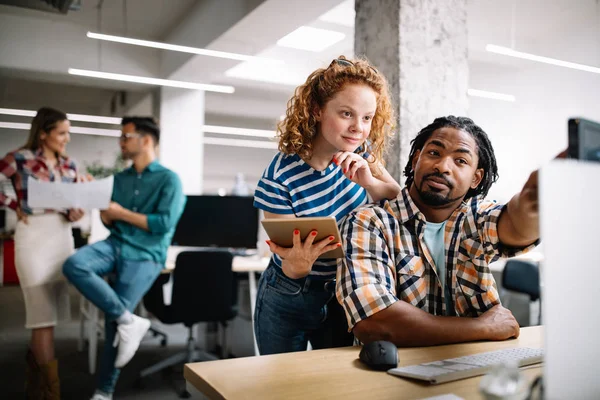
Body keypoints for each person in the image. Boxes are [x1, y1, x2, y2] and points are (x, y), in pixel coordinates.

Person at [336, 115, 545, 347]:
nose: (442, 167)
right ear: (416, 159)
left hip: (475, 366)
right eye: (434, 153)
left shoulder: (475, 219)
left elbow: (515, 226)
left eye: (460, 161)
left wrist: (532, 202)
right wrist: (484, 327)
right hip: (395, 373)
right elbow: (375, 323)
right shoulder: (368, 222)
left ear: (476, 178)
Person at [254, 55, 401, 355]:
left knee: (336, 384)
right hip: (291, 292)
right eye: (346, 113)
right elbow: (287, 261)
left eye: (367, 117)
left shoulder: (364, 155)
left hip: (343, 291)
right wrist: (297, 266)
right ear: (317, 110)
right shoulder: (279, 177)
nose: (358, 128)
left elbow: (402, 207)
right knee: (282, 385)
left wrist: (370, 183)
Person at [62, 117, 185, 400]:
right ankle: (129, 320)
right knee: (74, 265)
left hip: (146, 254)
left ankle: (103, 392)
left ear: (145, 140)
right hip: (115, 244)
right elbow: (109, 220)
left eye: (125, 136)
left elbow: (163, 223)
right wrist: (98, 202)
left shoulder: (169, 179)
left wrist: (120, 212)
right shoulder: (119, 179)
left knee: (111, 324)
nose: (121, 142)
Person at [0, 107, 86, 399]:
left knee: (47, 319)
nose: (67, 138)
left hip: (61, 237)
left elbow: (75, 204)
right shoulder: (19, 159)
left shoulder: (71, 165)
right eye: (62, 132)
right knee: (42, 318)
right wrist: (14, 206)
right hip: (32, 238)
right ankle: (51, 393)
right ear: (43, 133)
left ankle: (36, 386)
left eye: (68, 132)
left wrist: (77, 212)